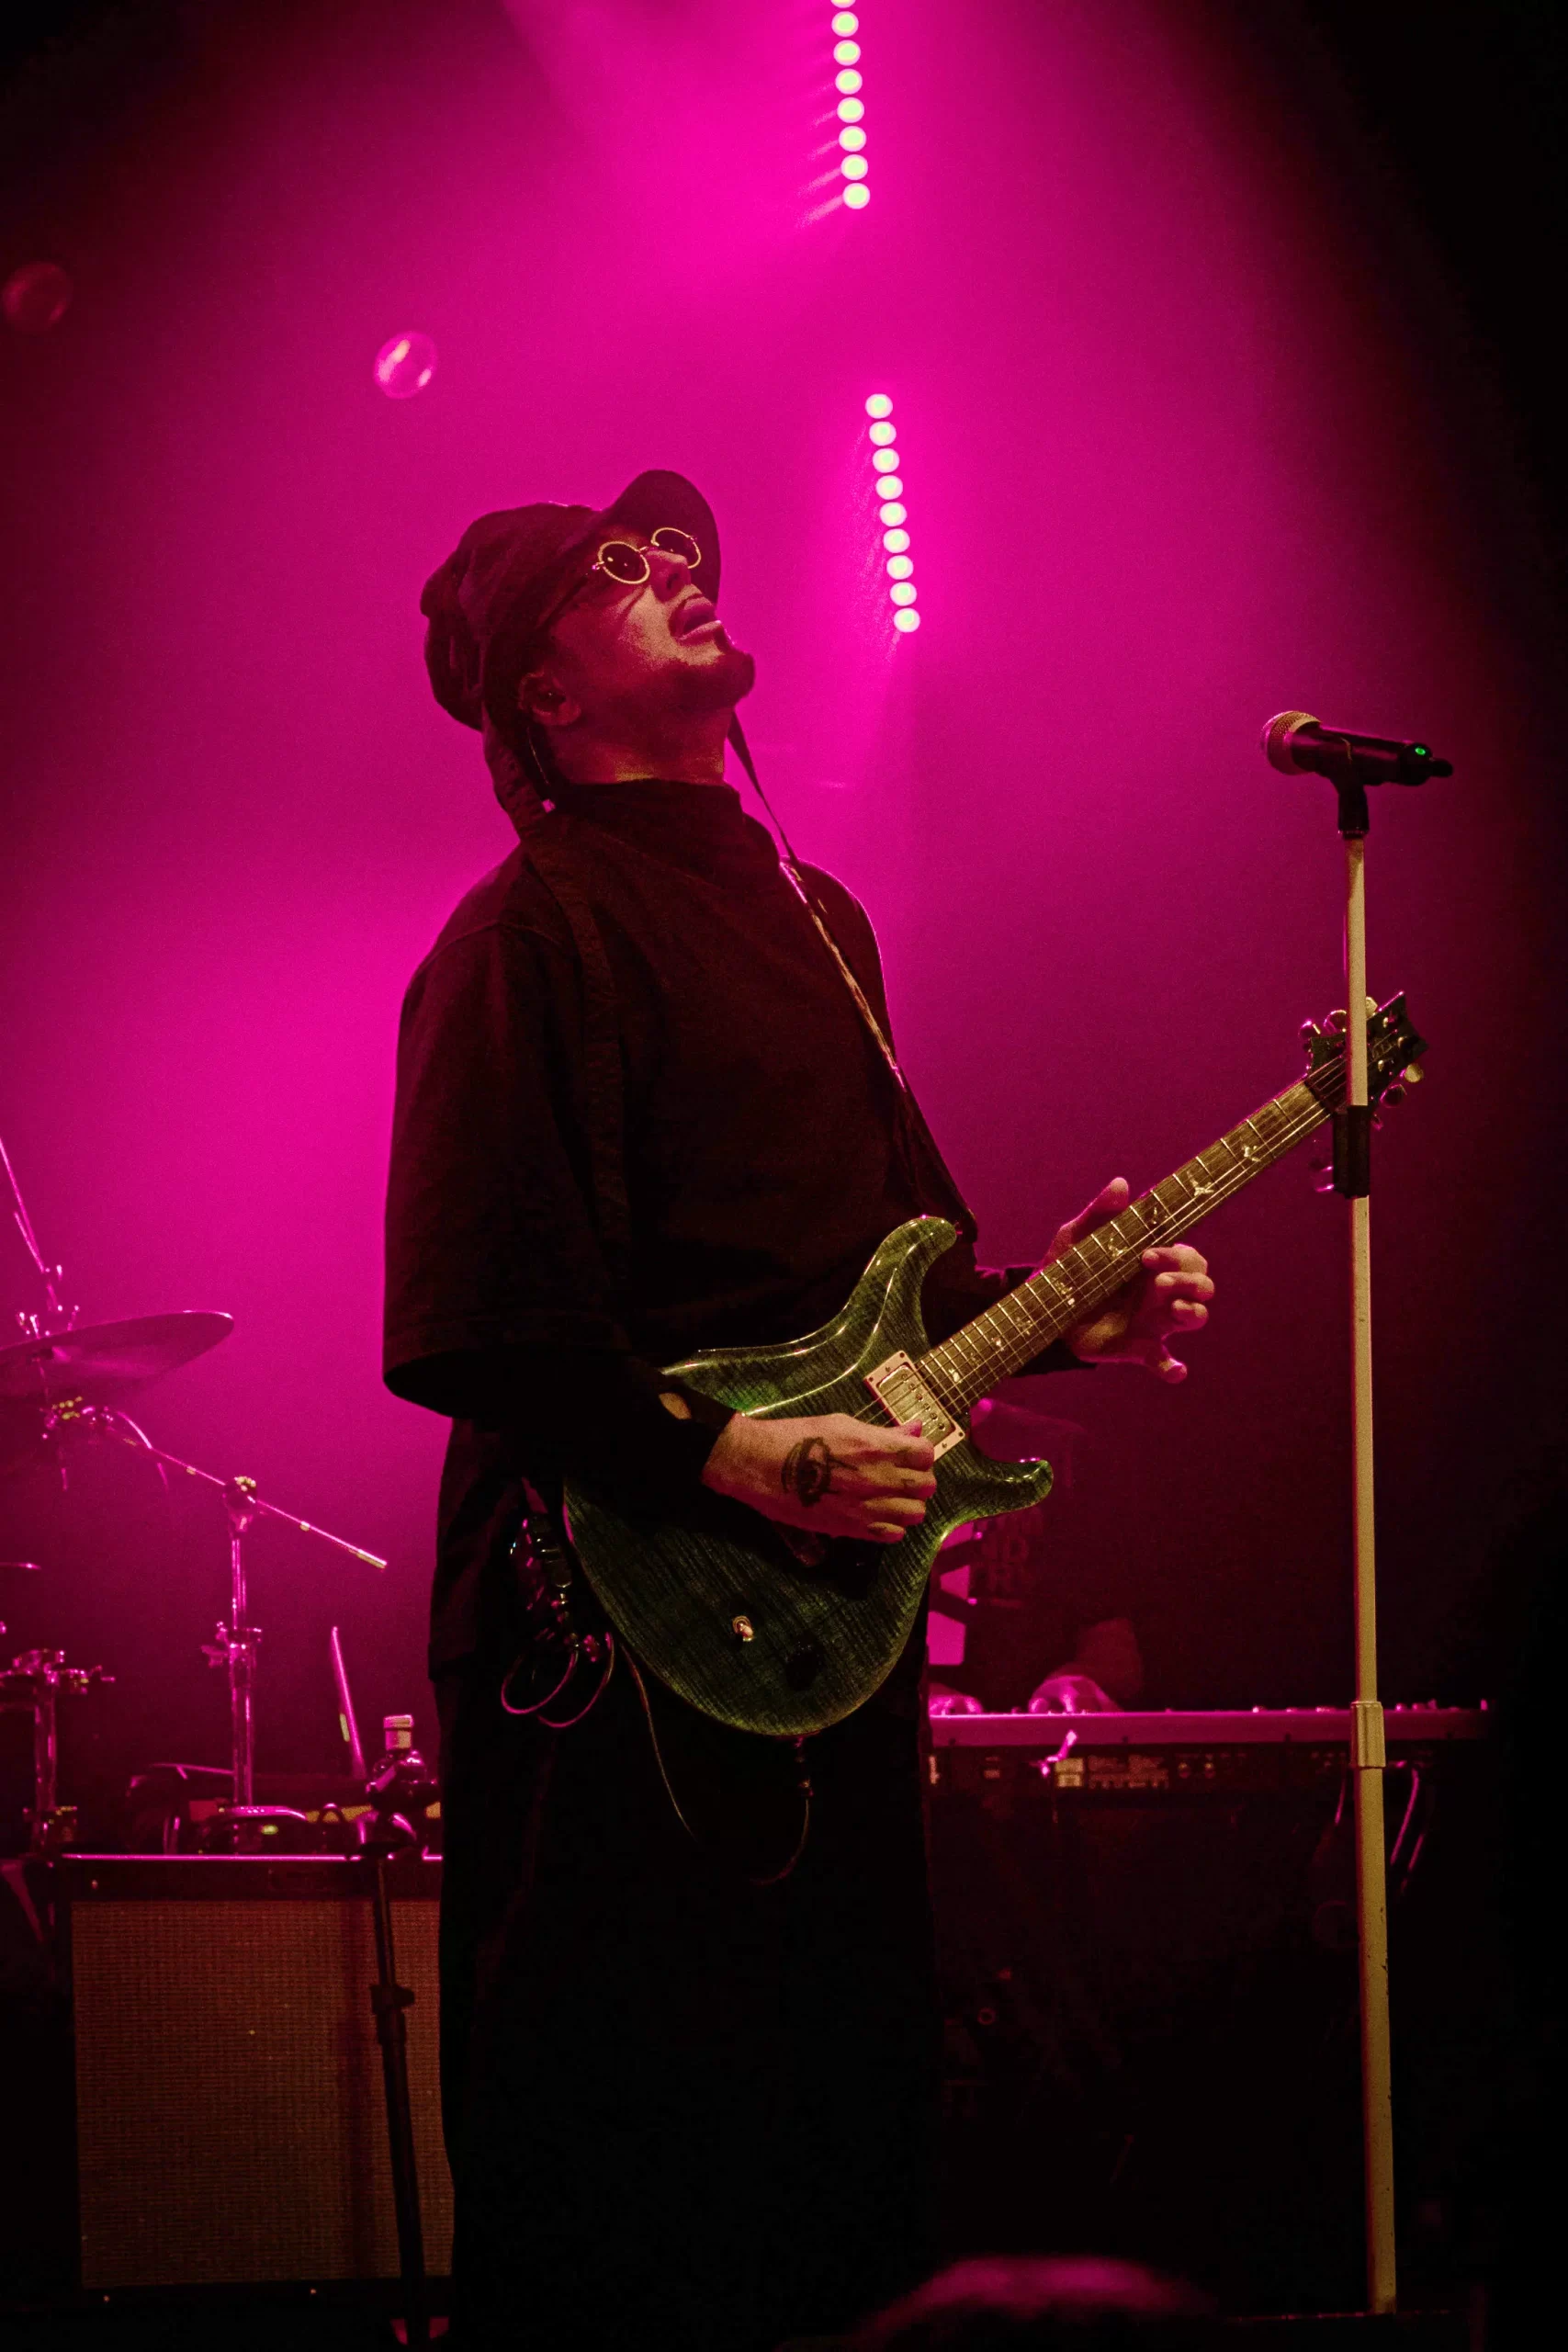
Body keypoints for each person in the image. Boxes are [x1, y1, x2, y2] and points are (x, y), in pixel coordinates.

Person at [384, 469, 1215, 2350]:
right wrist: (733, 1453)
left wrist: (1060, 1320)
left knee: (835, 2118)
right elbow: (468, 1325)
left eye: (679, 547)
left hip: (827, 1621)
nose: (676, 566)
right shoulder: (523, 934)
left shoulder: (819, 914)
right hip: (605, 1627)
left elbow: (900, 1297)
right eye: (618, 566)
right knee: (621, 2137)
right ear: (542, 695)